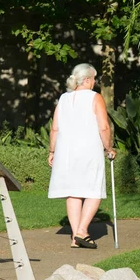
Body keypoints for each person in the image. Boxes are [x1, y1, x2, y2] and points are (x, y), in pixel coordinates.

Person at [48, 63, 116, 249]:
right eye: (94, 78)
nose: (95, 82)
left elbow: (55, 128)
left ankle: (75, 237)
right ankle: (82, 231)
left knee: (73, 192)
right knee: (94, 190)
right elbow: (103, 126)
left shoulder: (63, 99)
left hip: (65, 152)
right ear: (87, 79)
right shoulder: (95, 97)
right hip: (88, 151)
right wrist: (109, 147)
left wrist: (52, 151)